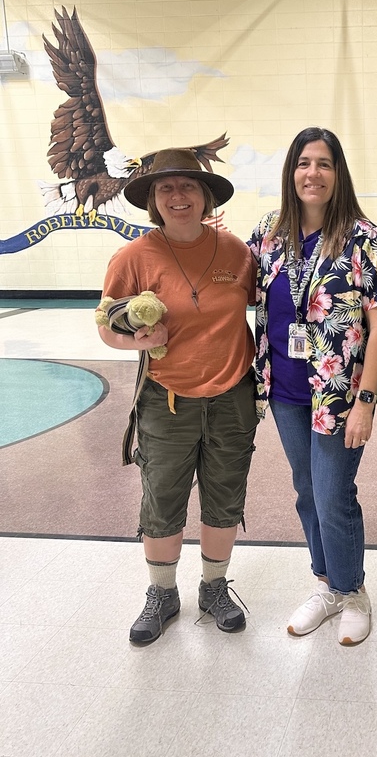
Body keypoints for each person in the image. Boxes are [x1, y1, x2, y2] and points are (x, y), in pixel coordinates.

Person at [97, 148, 260, 645]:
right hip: (164, 400)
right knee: (162, 497)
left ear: (205, 195)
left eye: (187, 186)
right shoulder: (132, 257)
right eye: (165, 188)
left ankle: (214, 587)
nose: (177, 196)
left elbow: (268, 305)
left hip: (233, 395)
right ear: (152, 200)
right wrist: (132, 341)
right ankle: (162, 593)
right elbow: (106, 325)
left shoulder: (237, 252)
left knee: (225, 495)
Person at [248, 127, 377, 645]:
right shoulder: (268, 233)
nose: (313, 173)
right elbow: (231, 283)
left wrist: (366, 402)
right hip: (285, 391)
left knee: (334, 495)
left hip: (338, 395)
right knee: (306, 492)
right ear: (291, 172)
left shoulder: (360, 236)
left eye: (324, 164)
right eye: (304, 163)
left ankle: (353, 592)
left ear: (338, 174)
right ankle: (326, 583)